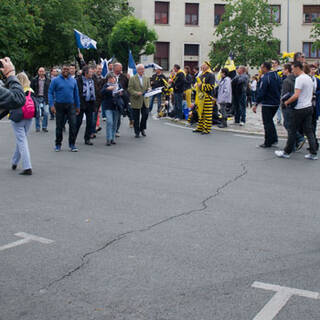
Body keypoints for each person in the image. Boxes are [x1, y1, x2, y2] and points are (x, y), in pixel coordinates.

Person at [275, 61, 318, 160]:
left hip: (299, 108)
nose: (292, 70)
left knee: (292, 130)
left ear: (298, 68)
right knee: (309, 131)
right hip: (309, 107)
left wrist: (286, 102)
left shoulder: (299, 79)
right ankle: (313, 153)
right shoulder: (308, 78)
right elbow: (311, 93)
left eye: (293, 68)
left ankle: (286, 152)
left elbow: (296, 95)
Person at [48, 64, 80, 152]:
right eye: (64, 69)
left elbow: (76, 94)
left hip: (71, 105)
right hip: (59, 105)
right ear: (61, 70)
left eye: (67, 69)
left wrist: (78, 106)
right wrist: (51, 105)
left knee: (73, 124)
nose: (66, 70)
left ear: (70, 70)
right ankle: (58, 144)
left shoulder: (73, 80)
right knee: (59, 126)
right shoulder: (55, 80)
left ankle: (72, 144)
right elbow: (50, 92)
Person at [9, 72, 35, 175]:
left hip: (18, 117)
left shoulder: (15, 91)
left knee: (22, 141)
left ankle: (27, 166)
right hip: (29, 116)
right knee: (22, 140)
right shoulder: (30, 90)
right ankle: (14, 161)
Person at [253, 62, 281, 148]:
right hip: (276, 102)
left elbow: (262, 91)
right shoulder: (276, 76)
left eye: (261, 68)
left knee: (267, 123)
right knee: (270, 122)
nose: (261, 69)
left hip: (268, 103)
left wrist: (256, 103)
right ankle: (274, 139)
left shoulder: (266, 77)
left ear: (265, 68)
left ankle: (268, 141)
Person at [280, 63, 305, 151]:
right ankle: (294, 144)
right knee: (291, 124)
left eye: (283, 69)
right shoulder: (296, 79)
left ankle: (299, 138)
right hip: (295, 105)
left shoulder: (287, 80)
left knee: (288, 124)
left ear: (287, 70)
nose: (282, 71)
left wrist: (284, 103)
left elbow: (285, 95)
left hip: (288, 105)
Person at [75, 65, 96, 146]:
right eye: (90, 72)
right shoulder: (78, 80)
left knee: (90, 122)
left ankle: (87, 138)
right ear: (85, 73)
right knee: (78, 122)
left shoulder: (92, 80)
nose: (92, 73)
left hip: (90, 102)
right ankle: (73, 137)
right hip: (81, 103)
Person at [128, 64, 151, 138]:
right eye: (141, 69)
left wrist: (149, 89)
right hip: (136, 99)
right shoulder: (132, 78)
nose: (142, 70)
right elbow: (130, 89)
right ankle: (137, 131)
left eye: (143, 69)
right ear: (137, 70)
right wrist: (136, 93)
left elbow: (149, 86)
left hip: (145, 99)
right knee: (136, 117)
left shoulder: (146, 78)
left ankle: (142, 128)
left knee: (146, 114)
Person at [193, 61, 215, 134]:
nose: (202, 67)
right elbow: (198, 83)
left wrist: (201, 86)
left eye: (203, 66)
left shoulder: (211, 75)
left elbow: (211, 86)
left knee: (207, 114)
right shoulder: (201, 74)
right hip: (200, 97)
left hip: (207, 96)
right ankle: (200, 127)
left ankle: (206, 129)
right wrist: (196, 85)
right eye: (202, 66)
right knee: (200, 112)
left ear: (208, 66)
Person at [101, 73, 120, 146]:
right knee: (109, 122)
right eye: (111, 78)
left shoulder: (118, 85)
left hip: (116, 106)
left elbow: (124, 94)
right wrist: (107, 89)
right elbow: (101, 93)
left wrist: (121, 93)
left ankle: (112, 138)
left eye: (114, 78)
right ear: (108, 79)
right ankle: (108, 139)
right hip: (108, 106)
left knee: (115, 123)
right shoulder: (106, 85)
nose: (113, 79)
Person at [31, 67, 51, 132]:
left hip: (45, 98)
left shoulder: (48, 80)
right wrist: (32, 97)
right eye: (40, 71)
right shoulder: (34, 80)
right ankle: (37, 127)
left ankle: (44, 126)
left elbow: (50, 90)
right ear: (38, 72)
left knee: (46, 112)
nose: (41, 73)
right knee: (37, 112)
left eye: (42, 71)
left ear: (45, 72)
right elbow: (31, 89)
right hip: (37, 97)